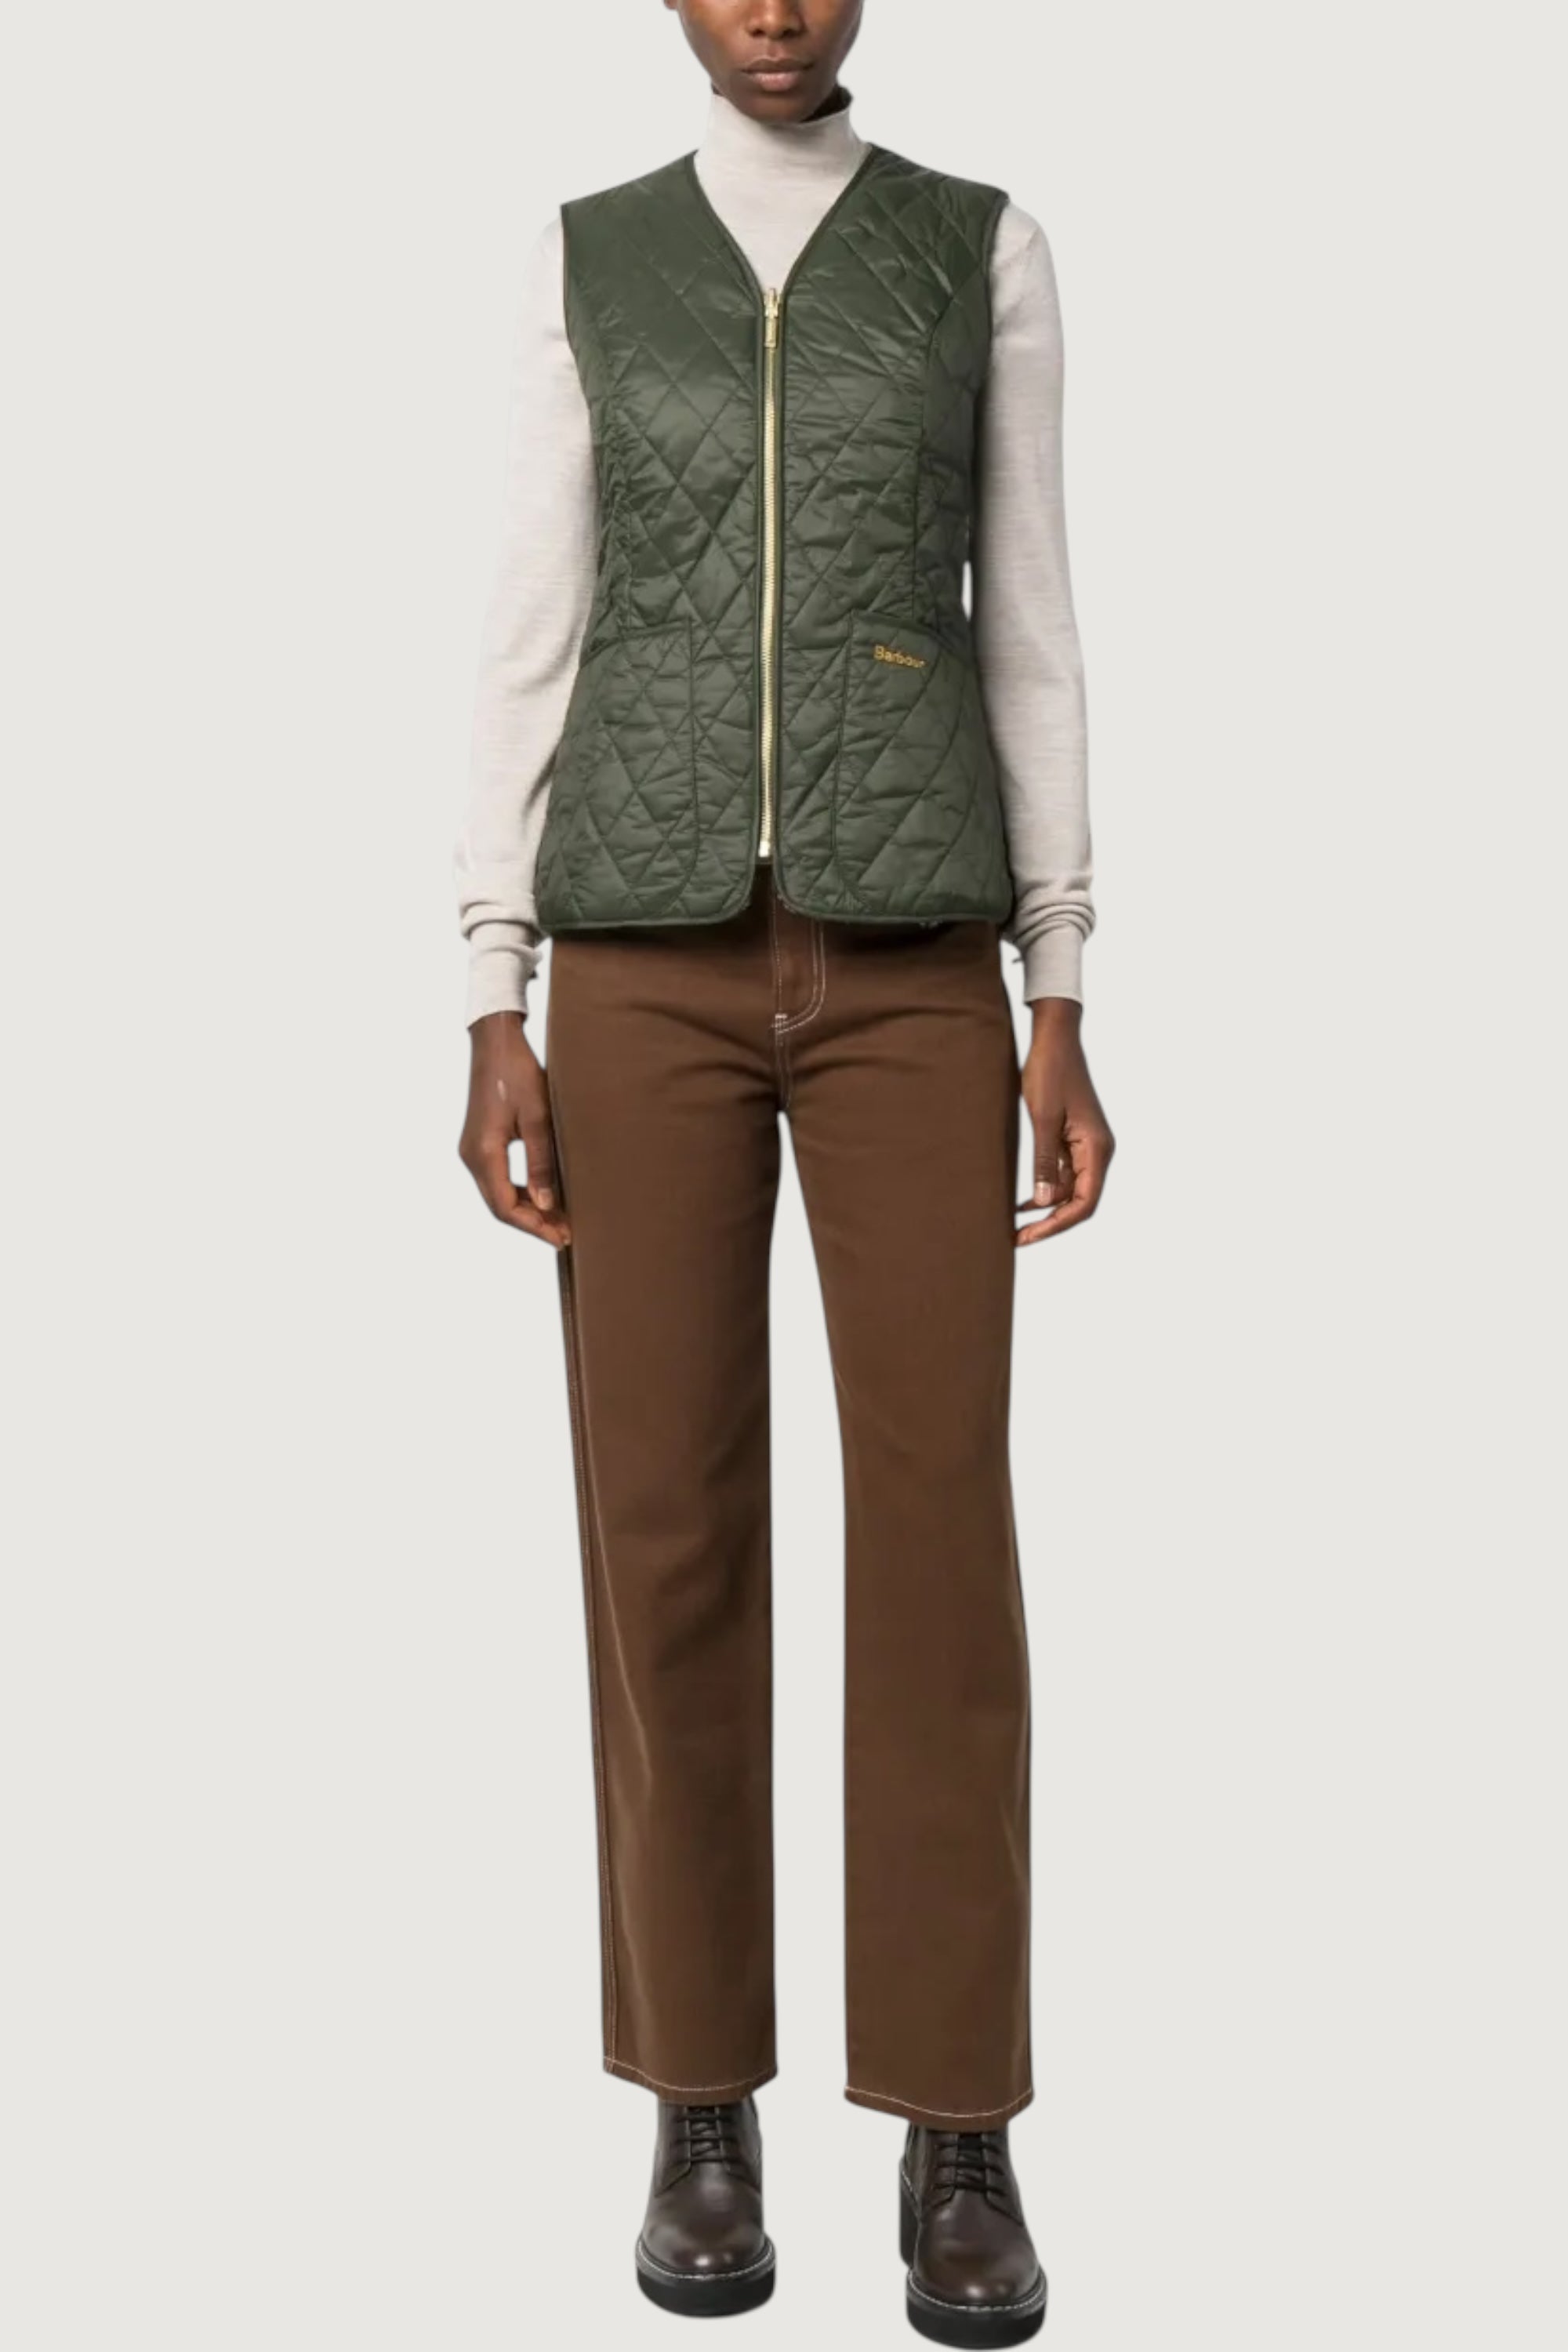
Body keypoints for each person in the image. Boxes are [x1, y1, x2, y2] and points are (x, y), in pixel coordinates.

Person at [454, 2, 1113, 2338]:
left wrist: (1058, 978)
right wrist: (492, 984)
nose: (772, 8)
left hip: (918, 964)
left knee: (939, 1527)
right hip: (638, 972)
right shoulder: (587, 255)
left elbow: (1027, 622)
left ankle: (959, 2123)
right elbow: (533, 622)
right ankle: (698, 2099)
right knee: (663, 1526)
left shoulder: (976, 249)